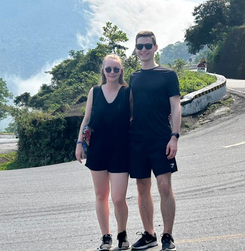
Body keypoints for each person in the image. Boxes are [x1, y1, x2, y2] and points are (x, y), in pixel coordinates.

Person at [129, 31, 181, 251]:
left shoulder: (168, 75)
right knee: (142, 187)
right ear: (136, 49)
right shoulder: (133, 77)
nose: (143, 50)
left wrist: (174, 136)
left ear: (155, 47)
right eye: (139, 46)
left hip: (161, 138)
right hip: (137, 141)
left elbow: (176, 107)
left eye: (147, 46)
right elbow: (129, 109)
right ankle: (149, 235)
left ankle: (167, 236)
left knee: (164, 186)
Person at [75, 54, 131, 251]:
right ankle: (105, 237)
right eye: (109, 69)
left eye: (116, 69)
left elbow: (136, 118)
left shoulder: (127, 92)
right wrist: (79, 142)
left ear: (121, 71)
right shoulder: (95, 91)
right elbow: (87, 118)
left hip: (121, 150)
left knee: (118, 198)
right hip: (98, 149)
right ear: (103, 71)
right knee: (100, 195)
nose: (112, 72)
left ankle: (122, 235)